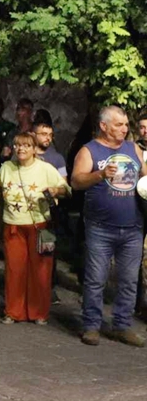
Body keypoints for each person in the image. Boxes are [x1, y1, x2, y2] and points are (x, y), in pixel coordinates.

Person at [71, 105, 147, 347]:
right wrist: (100, 175)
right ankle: (91, 325)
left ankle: (122, 325)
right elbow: (76, 181)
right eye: (118, 125)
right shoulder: (89, 150)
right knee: (95, 279)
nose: (124, 129)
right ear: (104, 126)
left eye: (126, 125)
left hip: (133, 227)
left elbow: (144, 176)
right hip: (100, 227)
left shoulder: (132, 147)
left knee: (128, 280)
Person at [0, 131, 69, 325]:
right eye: (18, 145)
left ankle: (38, 312)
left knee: (41, 271)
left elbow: (66, 190)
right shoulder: (8, 167)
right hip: (13, 225)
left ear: (34, 149)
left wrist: (55, 190)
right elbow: (0, 185)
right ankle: (13, 311)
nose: (21, 149)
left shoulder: (46, 168)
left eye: (26, 145)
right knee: (14, 269)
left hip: (42, 226)